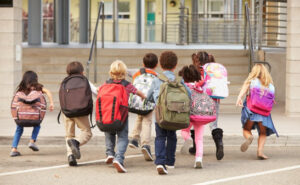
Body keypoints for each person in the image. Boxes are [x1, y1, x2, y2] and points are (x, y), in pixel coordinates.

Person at [147, 51, 191, 175]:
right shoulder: (178, 81)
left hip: (160, 115)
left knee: (160, 137)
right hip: (174, 114)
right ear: (175, 65)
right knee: (172, 137)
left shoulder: (157, 80)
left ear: (160, 65)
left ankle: (160, 162)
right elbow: (189, 94)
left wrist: (154, 100)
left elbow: (149, 96)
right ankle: (170, 162)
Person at [103, 60, 146, 173]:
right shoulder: (127, 85)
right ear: (124, 73)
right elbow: (139, 92)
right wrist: (143, 97)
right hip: (121, 116)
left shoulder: (106, 83)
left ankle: (109, 153)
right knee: (122, 138)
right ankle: (119, 158)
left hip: (108, 115)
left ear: (111, 72)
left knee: (109, 134)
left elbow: (99, 92)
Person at [236, 64, 278, 159]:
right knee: (263, 133)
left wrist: (239, 98)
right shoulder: (270, 85)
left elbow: (244, 90)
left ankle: (249, 137)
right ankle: (260, 152)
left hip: (251, 110)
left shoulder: (252, 81)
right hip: (264, 113)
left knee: (246, 129)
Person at [190, 51, 224, 161]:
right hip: (213, 100)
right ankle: (219, 144)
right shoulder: (214, 71)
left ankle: (196, 147)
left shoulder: (194, 71)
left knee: (196, 122)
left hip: (198, 100)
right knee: (214, 124)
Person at [10, 71, 54, 157]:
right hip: (35, 118)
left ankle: (14, 149)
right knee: (37, 126)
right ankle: (32, 141)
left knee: (19, 129)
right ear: (35, 79)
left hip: (21, 118)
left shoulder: (20, 89)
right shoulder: (38, 88)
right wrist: (51, 103)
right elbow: (48, 92)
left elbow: (15, 104)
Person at [62, 61, 97, 166]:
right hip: (81, 111)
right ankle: (76, 143)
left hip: (67, 112)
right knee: (87, 132)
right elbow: (96, 92)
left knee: (69, 135)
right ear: (82, 71)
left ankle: (70, 156)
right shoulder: (84, 80)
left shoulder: (65, 81)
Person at [128, 53, 158, 161]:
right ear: (156, 65)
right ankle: (145, 144)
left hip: (136, 101)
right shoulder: (156, 75)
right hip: (147, 102)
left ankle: (134, 138)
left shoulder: (137, 72)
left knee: (139, 117)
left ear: (143, 63)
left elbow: (124, 70)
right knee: (147, 122)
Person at [179, 65, 209, 168]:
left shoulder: (184, 86)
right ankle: (198, 159)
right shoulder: (199, 87)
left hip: (188, 115)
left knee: (184, 131)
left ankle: (188, 139)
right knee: (199, 139)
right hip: (200, 115)